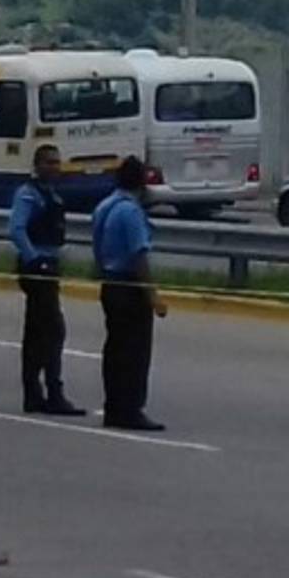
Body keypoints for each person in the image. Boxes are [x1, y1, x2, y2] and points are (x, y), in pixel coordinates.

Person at [92, 156, 169, 432]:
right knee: (134, 352)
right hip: (129, 287)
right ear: (141, 182)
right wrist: (153, 297)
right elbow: (139, 256)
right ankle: (131, 409)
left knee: (114, 349)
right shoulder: (131, 212)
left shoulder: (105, 206)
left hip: (110, 285)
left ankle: (114, 405)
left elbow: (97, 248)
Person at [8, 145, 85, 416]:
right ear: (37, 164)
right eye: (49, 162)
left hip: (49, 265)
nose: (55, 167)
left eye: (57, 162)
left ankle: (35, 394)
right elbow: (16, 229)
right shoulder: (29, 194)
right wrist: (34, 259)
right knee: (53, 330)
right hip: (37, 268)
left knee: (38, 332)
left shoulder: (51, 194)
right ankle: (52, 393)